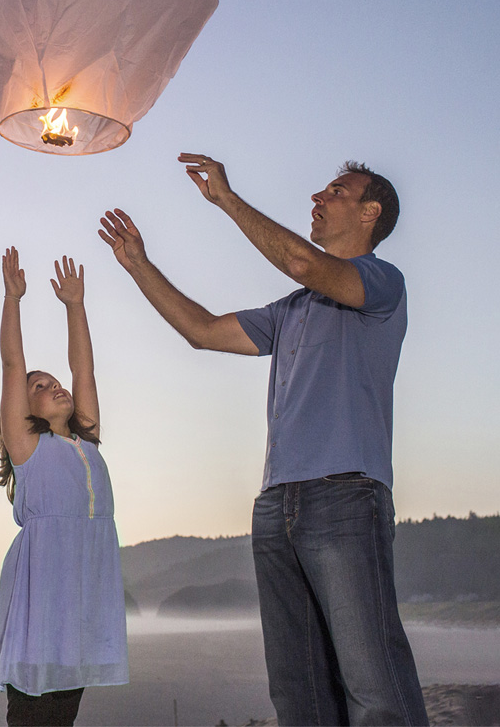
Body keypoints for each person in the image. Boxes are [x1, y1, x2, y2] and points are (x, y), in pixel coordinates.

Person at [99, 155, 427, 727]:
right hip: (276, 507)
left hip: (346, 498)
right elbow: (201, 331)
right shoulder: (291, 311)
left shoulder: (382, 282)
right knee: (298, 692)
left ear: (370, 212)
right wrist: (137, 266)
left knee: (375, 688)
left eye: (336, 191)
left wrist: (226, 199)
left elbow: (303, 261)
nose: (317, 198)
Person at [0, 247, 128, 727]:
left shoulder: (86, 441)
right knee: (31, 711)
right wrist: (13, 299)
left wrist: (76, 306)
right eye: (40, 387)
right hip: (43, 591)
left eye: (53, 381)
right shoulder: (29, 447)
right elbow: (13, 366)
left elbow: (83, 370)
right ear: (24, 410)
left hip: (83, 588)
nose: (54, 387)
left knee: (64, 711)